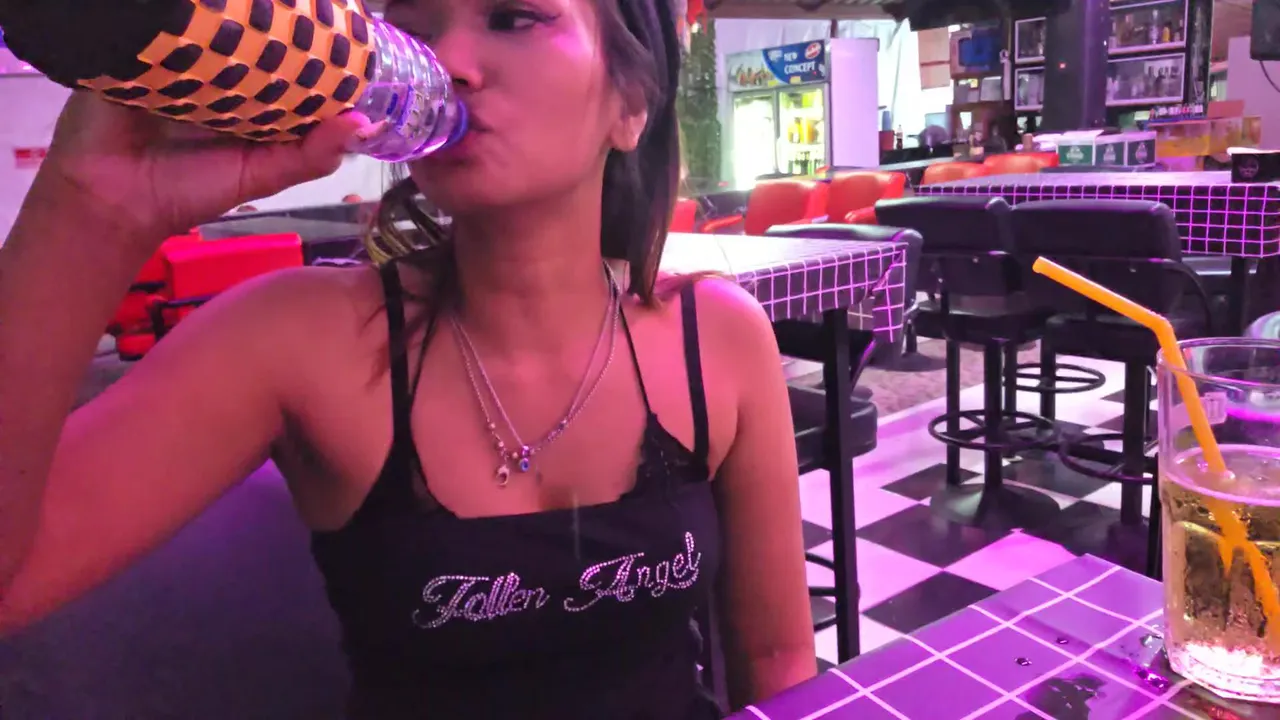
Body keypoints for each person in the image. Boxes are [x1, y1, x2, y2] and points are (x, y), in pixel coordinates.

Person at [0, 0, 816, 717]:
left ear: (630, 105)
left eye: (512, 17)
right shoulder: (297, 338)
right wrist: (92, 207)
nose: (448, 62)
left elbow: (777, 660)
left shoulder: (718, 338)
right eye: (414, 30)